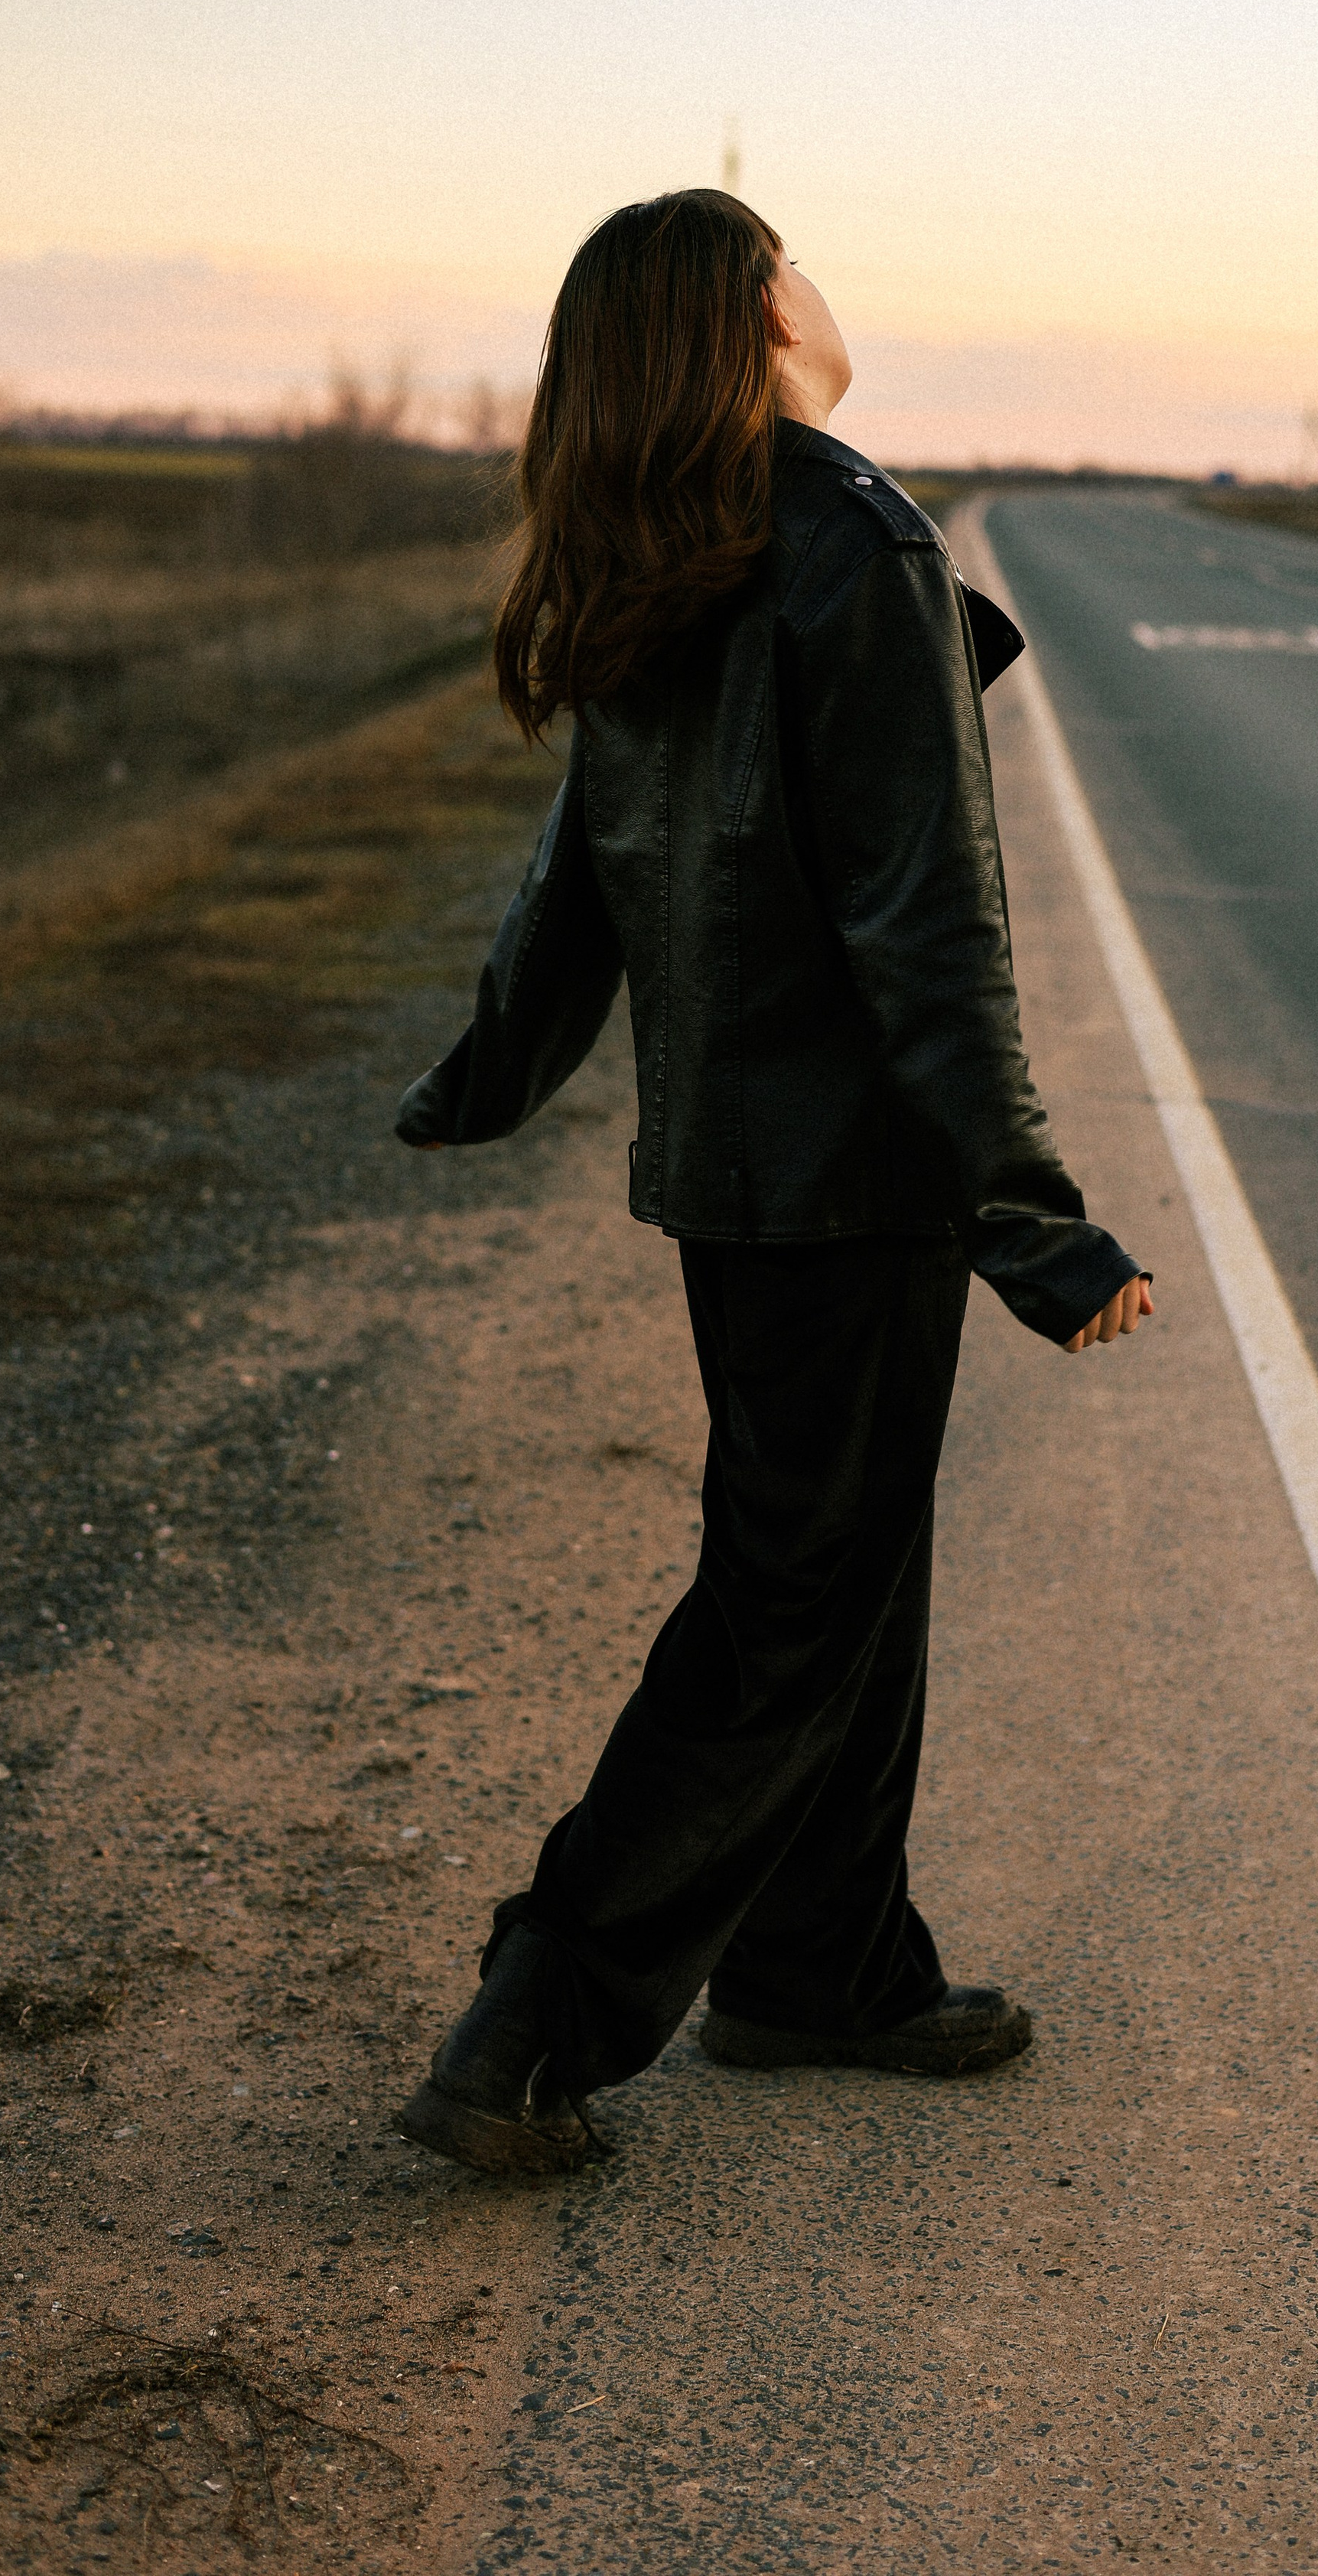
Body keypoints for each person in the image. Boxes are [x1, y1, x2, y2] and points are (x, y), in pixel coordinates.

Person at [394, 190, 1150, 2177]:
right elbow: (928, 927)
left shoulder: (677, 547)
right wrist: (1029, 1215)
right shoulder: (847, 540)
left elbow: (582, 867)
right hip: (854, 1175)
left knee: (842, 1563)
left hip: (726, 1159)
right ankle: (535, 2024)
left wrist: (496, 1059)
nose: (822, 284)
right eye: (789, 259)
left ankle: (826, 1964)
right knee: (787, 1606)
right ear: (751, 322)